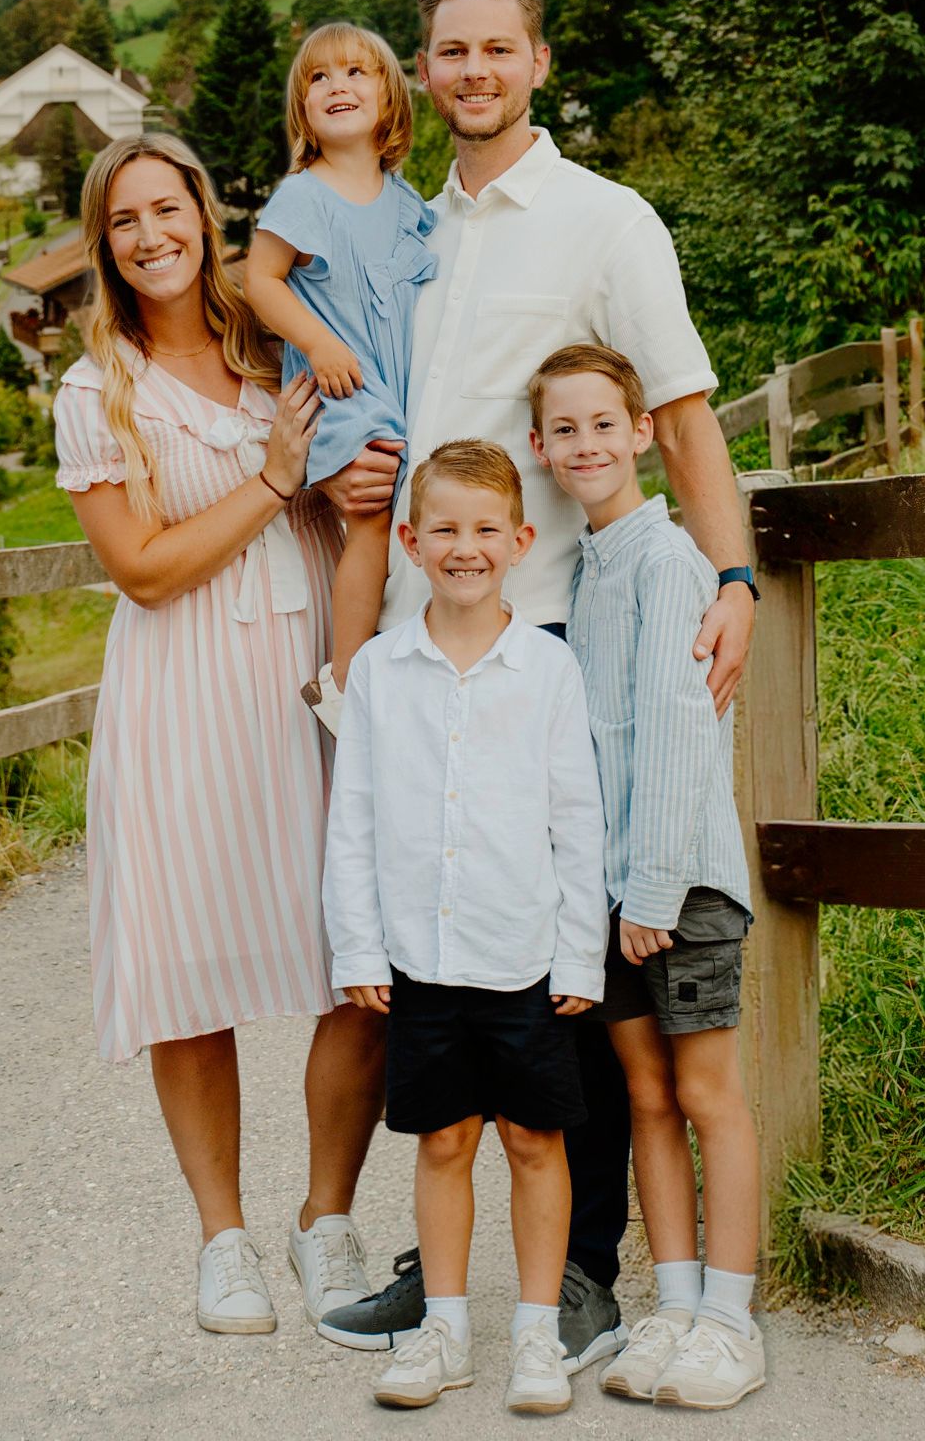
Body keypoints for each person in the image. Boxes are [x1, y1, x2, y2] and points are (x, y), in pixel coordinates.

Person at [321, 0, 758, 1379]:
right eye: (449, 51)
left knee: (563, 969)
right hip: (416, 628)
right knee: (445, 943)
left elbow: (681, 410)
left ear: (538, 64)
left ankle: (574, 1276)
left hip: (549, 627)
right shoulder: (408, 231)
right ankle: (449, 1270)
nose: (472, 72)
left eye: (496, 50)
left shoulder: (602, 219)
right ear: (423, 72)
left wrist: (735, 576)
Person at [54, 131, 388, 1340]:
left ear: (204, 215)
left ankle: (325, 1219)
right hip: (183, 696)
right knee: (189, 972)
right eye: (124, 221)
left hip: (312, 684)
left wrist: (348, 485)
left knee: (358, 959)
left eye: (167, 209)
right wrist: (275, 480)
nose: (151, 236)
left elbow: (353, 459)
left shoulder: (275, 347)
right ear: (104, 247)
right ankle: (222, 1240)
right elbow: (143, 571)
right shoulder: (98, 390)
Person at [323, 439, 606, 1418]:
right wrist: (359, 946)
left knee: (533, 1140)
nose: (465, 547)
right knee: (441, 1141)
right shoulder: (378, 671)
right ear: (410, 543)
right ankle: (442, 1329)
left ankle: (535, 1333)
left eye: (486, 529)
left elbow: (576, 821)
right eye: (443, 529)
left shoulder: (547, 669)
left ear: (520, 542)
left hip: (523, 955)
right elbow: (354, 820)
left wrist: (579, 956)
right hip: (422, 957)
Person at [534, 344, 765, 1410]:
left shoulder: (670, 563)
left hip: (678, 890)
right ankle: (672, 1302)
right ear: (539, 447)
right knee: (643, 1098)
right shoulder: (588, 572)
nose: (584, 444)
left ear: (639, 434)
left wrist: (654, 893)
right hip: (616, 898)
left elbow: (678, 736)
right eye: (563, 429)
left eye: (602, 425)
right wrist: (603, 896)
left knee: (706, 1095)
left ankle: (729, 1319)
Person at [245, 20, 437, 718]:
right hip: (344, 386)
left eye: (357, 72)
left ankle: (399, 660)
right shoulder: (305, 196)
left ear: (390, 99)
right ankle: (346, 679)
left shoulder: (404, 199)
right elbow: (261, 280)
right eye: (319, 78)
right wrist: (319, 343)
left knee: (415, 519)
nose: (338, 85)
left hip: (400, 384)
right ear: (304, 110)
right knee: (373, 521)